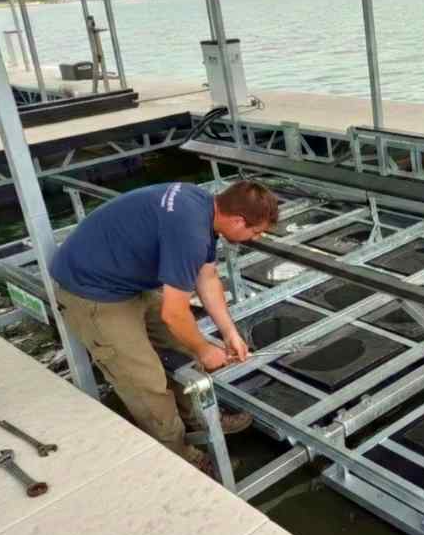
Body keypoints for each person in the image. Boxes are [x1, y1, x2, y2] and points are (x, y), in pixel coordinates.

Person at [51, 179, 279, 474]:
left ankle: (198, 419)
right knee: (145, 382)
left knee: (182, 350)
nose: (256, 238)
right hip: (93, 292)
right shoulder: (190, 233)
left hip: (128, 279)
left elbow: (207, 277)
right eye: (256, 231)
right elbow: (174, 313)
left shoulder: (204, 207)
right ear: (237, 220)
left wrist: (229, 333)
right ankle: (181, 455)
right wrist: (205, 349)